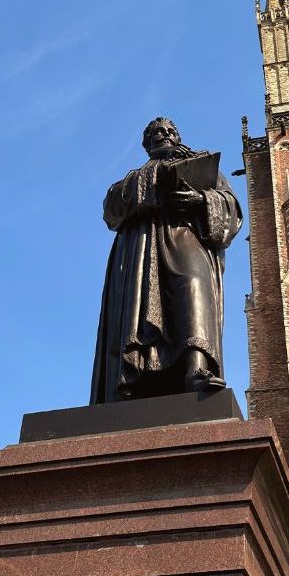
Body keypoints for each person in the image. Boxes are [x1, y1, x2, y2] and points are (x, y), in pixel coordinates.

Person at [90, 117, 242, 402]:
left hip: (187, 239)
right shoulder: (132, 177)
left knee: (193, 290)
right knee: (137, 309)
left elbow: (231, 209)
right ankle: (132, 380)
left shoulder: (206, 168)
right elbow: (111, 209)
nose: (164, 134)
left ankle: (196, 369)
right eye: (157, 132)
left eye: (171, 131)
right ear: (147, 144)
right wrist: (160, 176)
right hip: (141, 249)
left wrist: (200, 200)